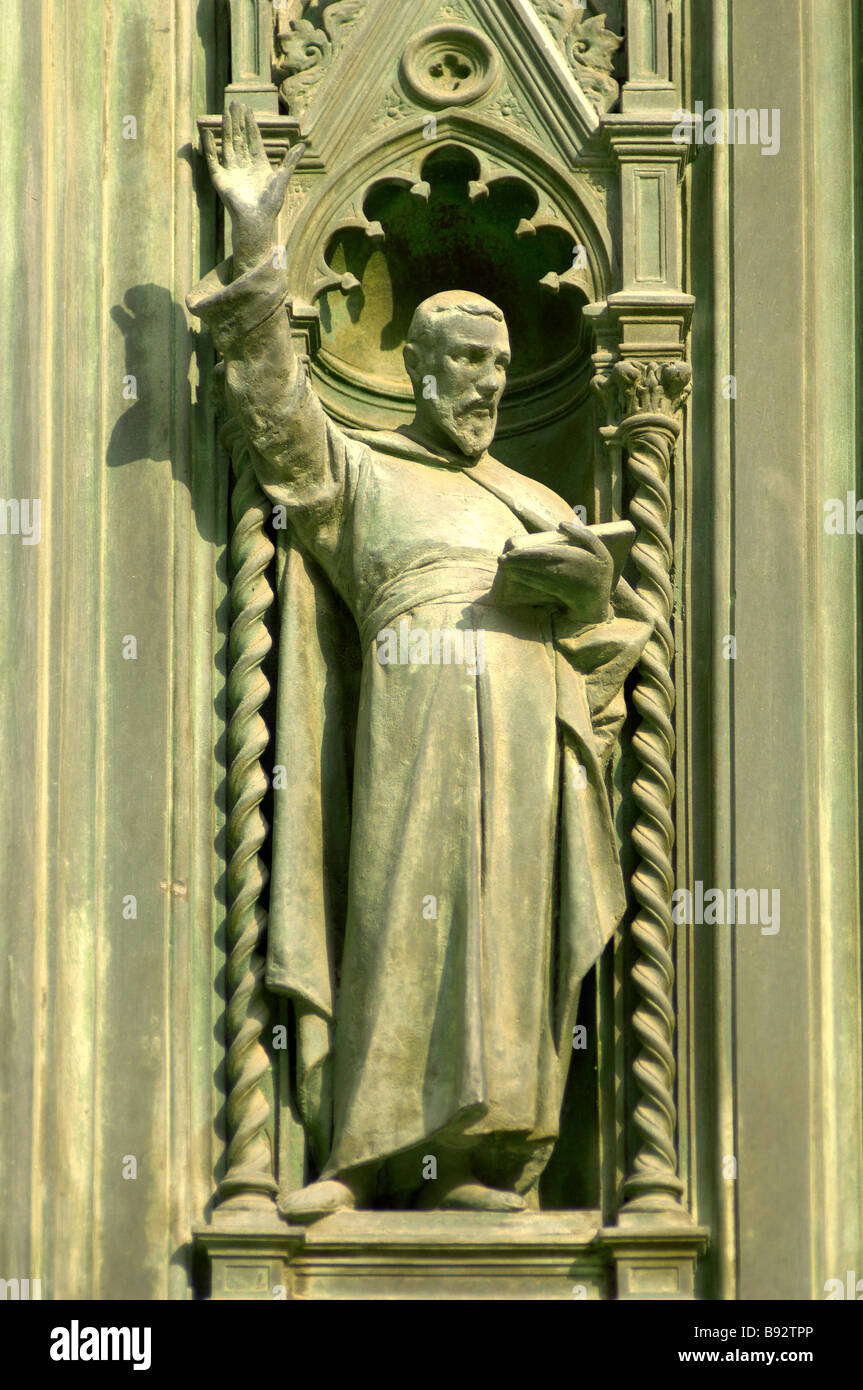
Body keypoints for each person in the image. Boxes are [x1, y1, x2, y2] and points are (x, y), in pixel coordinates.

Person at [189, 102, 651, 1221]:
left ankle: (495, 1157)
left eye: (501, 365)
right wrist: (255, 242)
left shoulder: (537, 498)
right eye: (467, 362)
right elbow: (274, 418)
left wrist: (587, 595)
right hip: (410, 727)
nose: (490, 383)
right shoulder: (369, 477)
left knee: (505, 937)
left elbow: (615, 650)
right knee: (402, 914)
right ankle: (370, 1151)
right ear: (415, 367)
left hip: (525, 731)